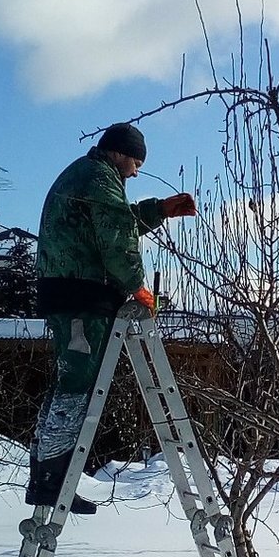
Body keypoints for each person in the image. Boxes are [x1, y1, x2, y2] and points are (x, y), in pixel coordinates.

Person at [26, 122, 196, 513]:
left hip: (72, 292)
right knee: (77, 384)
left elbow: (110, 222)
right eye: (135, 162)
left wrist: (159, 210)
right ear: (119, 153)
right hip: (80, 297)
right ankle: (51, 480)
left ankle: (46, 476)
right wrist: (136, 284)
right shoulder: (99, 178)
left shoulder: (89, 177)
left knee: (68, 383)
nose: (136, 171)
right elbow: (115, 237)